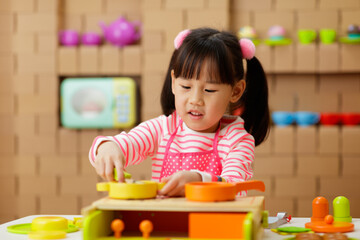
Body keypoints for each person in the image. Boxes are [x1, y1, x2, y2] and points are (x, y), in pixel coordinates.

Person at [89, 27, 270, 197]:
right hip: (164, 227)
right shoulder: (161, 129)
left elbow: (235, 188)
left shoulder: (237, 140)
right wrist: (107, 148)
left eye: (209, 90)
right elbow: (123, 144)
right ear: (174, 83)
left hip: (215, 228)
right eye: (186, 86)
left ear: (236, 91)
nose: (195, 99)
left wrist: (199, 181)